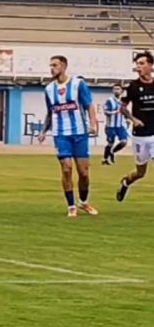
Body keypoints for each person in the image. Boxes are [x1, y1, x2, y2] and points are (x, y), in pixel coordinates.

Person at [37, 56, 99, 217]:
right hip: (60, 134)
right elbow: (50, 112)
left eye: (55, 65)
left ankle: (83, 202)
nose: (52, 68)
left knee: (83, 172)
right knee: (66, 168)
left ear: (64, 66)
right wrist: (44, 131)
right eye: (50, 65)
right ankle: (71, 206)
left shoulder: (78, 84)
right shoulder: (49, 89)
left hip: (79, 133)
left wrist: (93, 124)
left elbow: (89, 105)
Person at [116, 51, 154, 202]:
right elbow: (122, 108)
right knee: (140, 173)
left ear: (150, 65)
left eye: (142, 63)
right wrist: (133, 119)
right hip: (140, 135)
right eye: (137, 64)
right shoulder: (132, 86)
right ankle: (125, 183)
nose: (138, 67)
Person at [103, 83, 129, 165]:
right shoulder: (109, 100)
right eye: (115, 89)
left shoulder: (123, 101)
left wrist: (127, 119)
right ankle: (105, 159)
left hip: (120, 126)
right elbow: (106, 112)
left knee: (124, 142)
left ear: (122, 91)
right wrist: (115, 112)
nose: (116, 91)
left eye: (118, 89)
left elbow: (125, 111)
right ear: (112, 91)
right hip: (110, 126)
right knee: (110, 143)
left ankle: (112, 152)